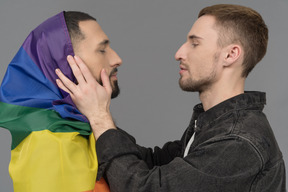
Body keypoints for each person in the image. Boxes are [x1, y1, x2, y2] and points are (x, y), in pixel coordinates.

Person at [56, 4, 286, 192]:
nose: (179, 53)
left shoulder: (238, 141)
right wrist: (96, 113)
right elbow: (149, 162)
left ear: (231, 54)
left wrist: (99, 117)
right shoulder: (214, 125)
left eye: (194, 43)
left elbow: (143, 187)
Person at [0, 11, 121, 192]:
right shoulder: (51, 143)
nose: (117, 59)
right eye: (102, 50)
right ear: (65, 64)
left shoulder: (77, 128)